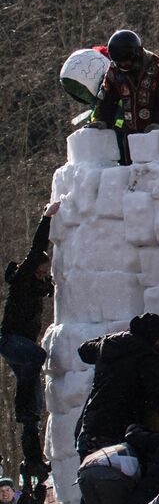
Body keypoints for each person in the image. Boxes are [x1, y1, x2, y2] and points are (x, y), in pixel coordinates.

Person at [2, 201, 58, 469]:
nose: (41, 276)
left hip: (19, 344)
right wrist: (46, 218)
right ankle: (22, 405)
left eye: (44, 273)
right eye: (39, 271)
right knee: (38, 356)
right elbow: (37, 248)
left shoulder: (37, 285)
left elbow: (47, 288)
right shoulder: (22, 279)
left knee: (34, 408)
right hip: (10, 340)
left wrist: (50, 286)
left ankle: (33, 461)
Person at [77, 313, 159, 455]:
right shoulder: (145, 355)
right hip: (118, 428)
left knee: (92, 472)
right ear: (150, 335)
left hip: (91, 427)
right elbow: (157, 393)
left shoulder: (108, 344)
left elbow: (84, 350)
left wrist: (107, 340)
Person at [87, 29, 159, 133]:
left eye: (126, 62)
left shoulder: (155, 65)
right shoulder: (114, 69)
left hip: (156, 130)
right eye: (120, 63)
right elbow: (106, 97)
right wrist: (102, 120)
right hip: (131, 130)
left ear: (137, 54)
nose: (123, 65)